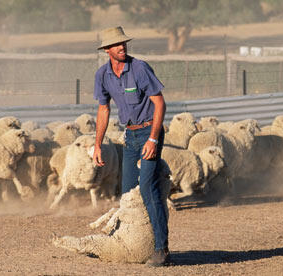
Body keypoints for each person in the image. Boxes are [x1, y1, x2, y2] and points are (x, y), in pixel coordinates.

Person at [92, 26, 169, 267]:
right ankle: (125, 242)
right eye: (116, 44)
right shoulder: (102, 75)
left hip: (149, 132)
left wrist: (154, 139)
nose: (121, 47)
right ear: (107, 50)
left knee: (147, 189)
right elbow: (103, 109)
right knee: (126, 193)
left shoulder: (140, 68)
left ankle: (161, 249)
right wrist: (97, 145)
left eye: (123, 43)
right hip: (130, 136)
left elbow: (160, 104)